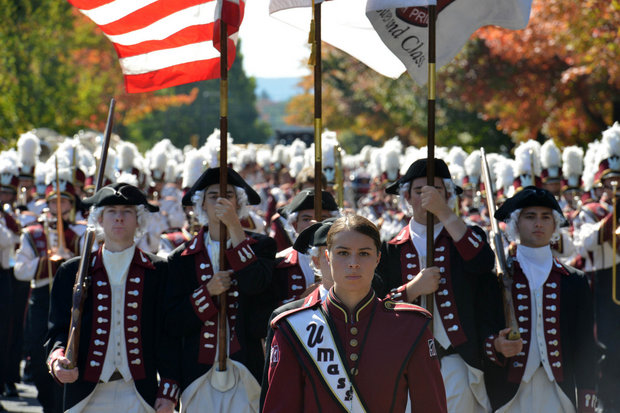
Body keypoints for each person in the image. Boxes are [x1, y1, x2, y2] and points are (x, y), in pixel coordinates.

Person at [263, 214, 447, 412]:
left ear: (378, 258)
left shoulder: (411, 326)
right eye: (342, 253)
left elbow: (431, 407)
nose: (353, 263)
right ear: (327, 257)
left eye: (364, 253)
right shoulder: (292, 327)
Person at [46, 183, 179, 413]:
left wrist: (168, 391)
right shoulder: (72, 272)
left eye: (127, 212)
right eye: (111, 211)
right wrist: (58, 360)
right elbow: (57, 331)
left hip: (139, 394)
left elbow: (169, 336)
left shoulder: (159, 272)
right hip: (85, 395)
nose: (119, 218)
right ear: (99, 219)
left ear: (138, 220)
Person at [377, 158, 497, 413]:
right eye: (420, 191)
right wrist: (411, 290)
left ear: (448, 195)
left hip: (457, 359)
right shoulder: (389, 249)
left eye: (437, 191)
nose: (427, 197)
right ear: (407, 196)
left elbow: (483, 263)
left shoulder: (466, 235)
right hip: (406, 360)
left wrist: (444, 212)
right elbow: (377, 306)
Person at [164, 166, 276, 411]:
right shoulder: (180, 258)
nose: (221, 201)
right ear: (201, 204)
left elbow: (257, 286)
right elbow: (172, 321)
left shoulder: (263, 247)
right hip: (197, 373)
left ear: (239, 203)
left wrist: (235, 229)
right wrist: (207, 294)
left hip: (246, 369)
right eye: (213, 195)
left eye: (229, 195)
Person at [485, 186, 598, 413]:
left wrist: (587, 397)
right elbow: (482, 329)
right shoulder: (495, 278)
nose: (539, 223)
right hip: (508, 394)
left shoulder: (574, 280)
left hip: (558, 393)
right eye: (530, 216)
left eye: (546, 217)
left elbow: (585, 345)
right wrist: (496, 344)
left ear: (555, 224)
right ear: (516, 223)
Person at [14, 167, 86, 413]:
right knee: (37, 357)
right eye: (53, 201)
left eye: (63, 201)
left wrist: (69, 260)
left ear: (71, 204)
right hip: (42, 298)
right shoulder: (33, 232)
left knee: (70, 356)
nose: (58, 206)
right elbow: (20, 270)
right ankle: (48, 405)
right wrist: (46, 261)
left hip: (71, 299)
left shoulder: (82, 233)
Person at [259, 218, 336, 410]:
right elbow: (276, 392)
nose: (348, 261)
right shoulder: (286, 319)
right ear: (317, 260)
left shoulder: (383, 313)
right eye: (336, 252)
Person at [273, 189, 339, 304]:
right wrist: (303, 299)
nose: (315, 224)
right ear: (294, 224)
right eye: (306, 219)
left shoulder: (347, 260)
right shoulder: (279, 263)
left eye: (323, 219)